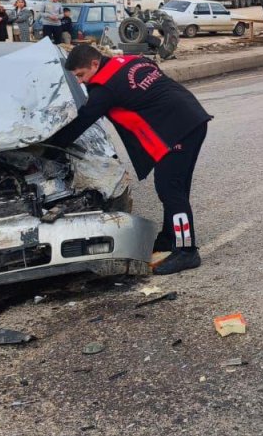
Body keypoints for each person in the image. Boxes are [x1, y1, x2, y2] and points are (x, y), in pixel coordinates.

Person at [50, 45, 212, 275]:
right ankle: (169, 238)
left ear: (95, 64)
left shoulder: (105, 88)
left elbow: (83, 120)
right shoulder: (130, 61)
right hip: (192, 118)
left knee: (170, 188)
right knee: (176, 185)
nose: (80, 82)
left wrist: (52, 147)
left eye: (81, 75)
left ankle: (186, 251)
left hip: (179, 129)